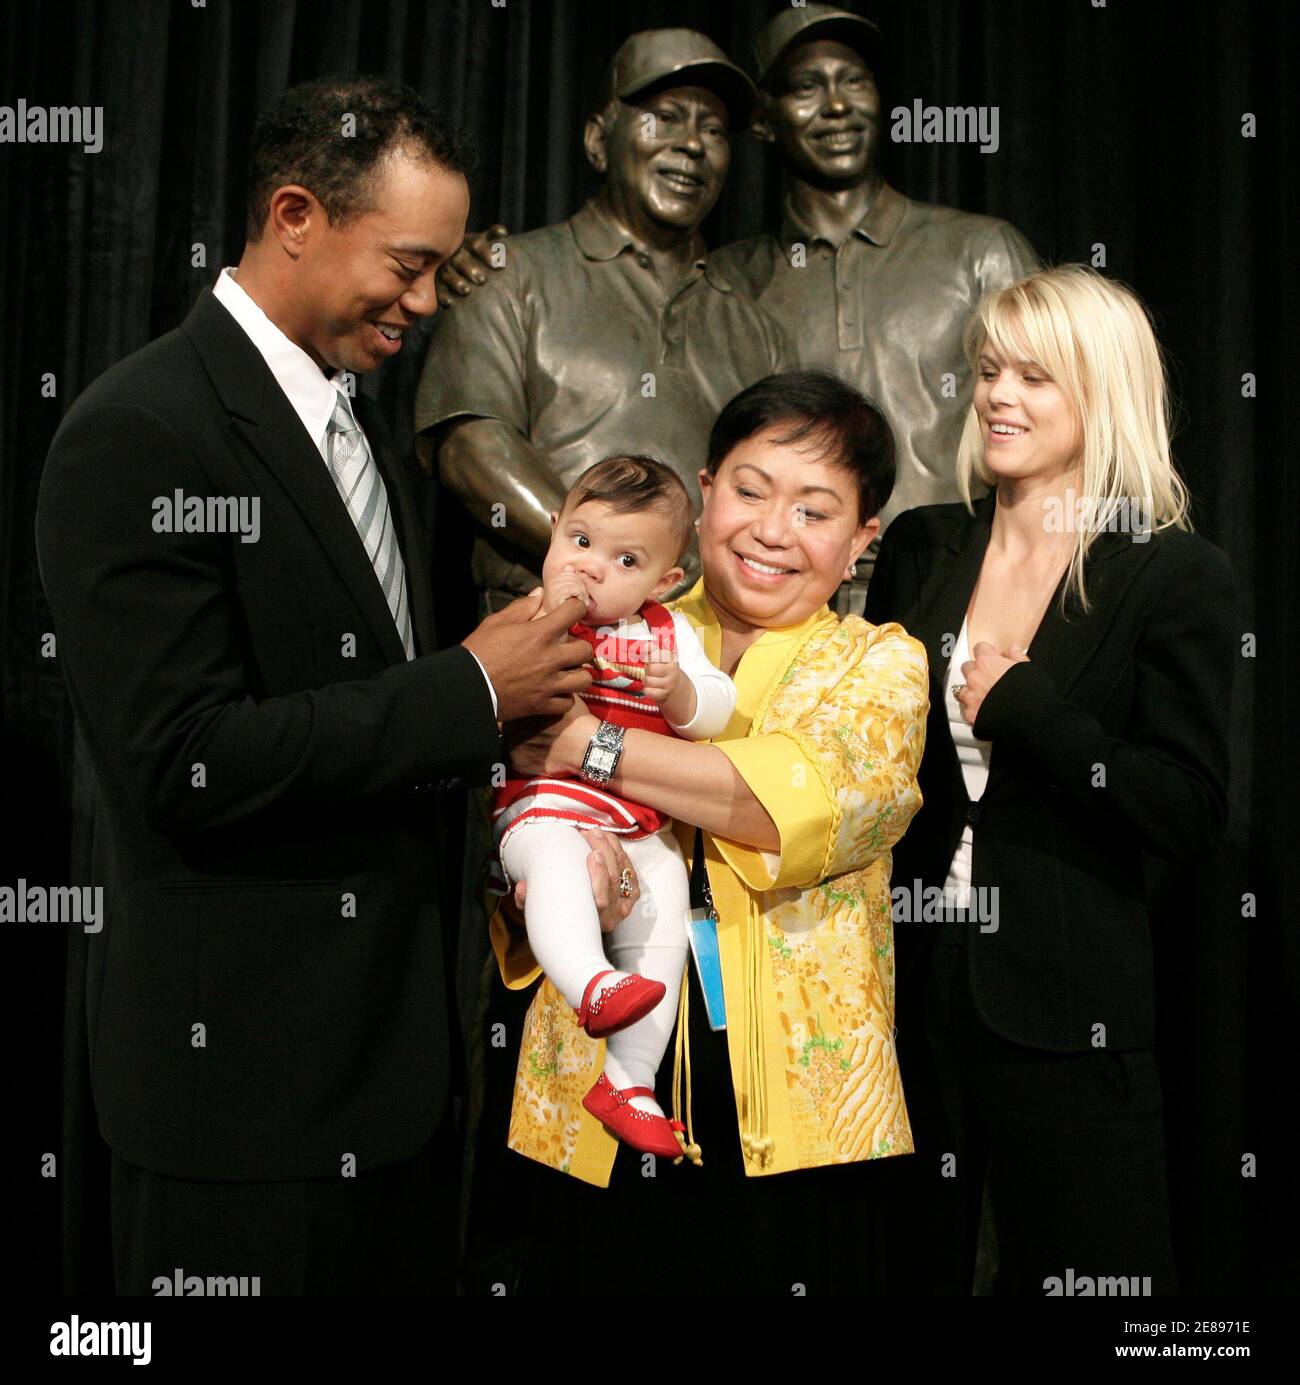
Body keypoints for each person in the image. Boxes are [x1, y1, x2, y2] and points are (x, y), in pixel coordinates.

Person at [34, 75, 642, 1296]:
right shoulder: (141, 430)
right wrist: (471, 690)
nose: (427, 302)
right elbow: (185, 759)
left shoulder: (346, 418)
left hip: (399, 1093)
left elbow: (352, 711)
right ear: (295, 214)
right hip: (247, 1111)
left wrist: (505, 765)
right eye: (408, 266)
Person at [487, 370, 929, 1295]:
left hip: (798, 1114)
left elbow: (780, 804)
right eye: (750, 490)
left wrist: (582, 744)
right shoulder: (593, 622)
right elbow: (495, 793)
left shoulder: (881, 664)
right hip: (592, 1085)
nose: (772, 530)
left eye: (815, 510)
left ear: (862, 540)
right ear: (704, 495)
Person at [864, 265, 1237, 1295]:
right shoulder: (924, 544)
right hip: (908, 986)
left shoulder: (1169, 572)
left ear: (1101, 391)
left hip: (1071, 1007)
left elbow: (1188, 806)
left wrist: (1036, 715)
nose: (996, 396)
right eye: (988, 370)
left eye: (1034, 376)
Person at [415, 27, 792, 613]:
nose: (691, 144)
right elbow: (472, 451)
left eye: (713, 130)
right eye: (665, 117)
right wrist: (614, 568)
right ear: (597, 140)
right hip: (546, 628)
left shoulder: (755, 328)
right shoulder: (510, 274)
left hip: (700, 649)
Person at [714, 4, 1039, 608]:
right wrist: (488, 259)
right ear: (763, 119)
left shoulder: (979, 251)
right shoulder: (726, 279)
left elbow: (1056, 424)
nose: (836, 105)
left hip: (955, 593)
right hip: (784, 606)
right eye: (807, 87)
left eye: (854, 80)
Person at [493, 456, 737, 1159]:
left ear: (665, 580)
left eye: (625, 558)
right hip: (543, 807)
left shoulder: (665, 635)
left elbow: (717, 707)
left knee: (661, 898)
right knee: (558, 858)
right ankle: (591, 980)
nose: (592, 568)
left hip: (632, 820)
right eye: (580, 541)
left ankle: (631, 1081)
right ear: (551, 533)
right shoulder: (529, 621)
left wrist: (679, 694)